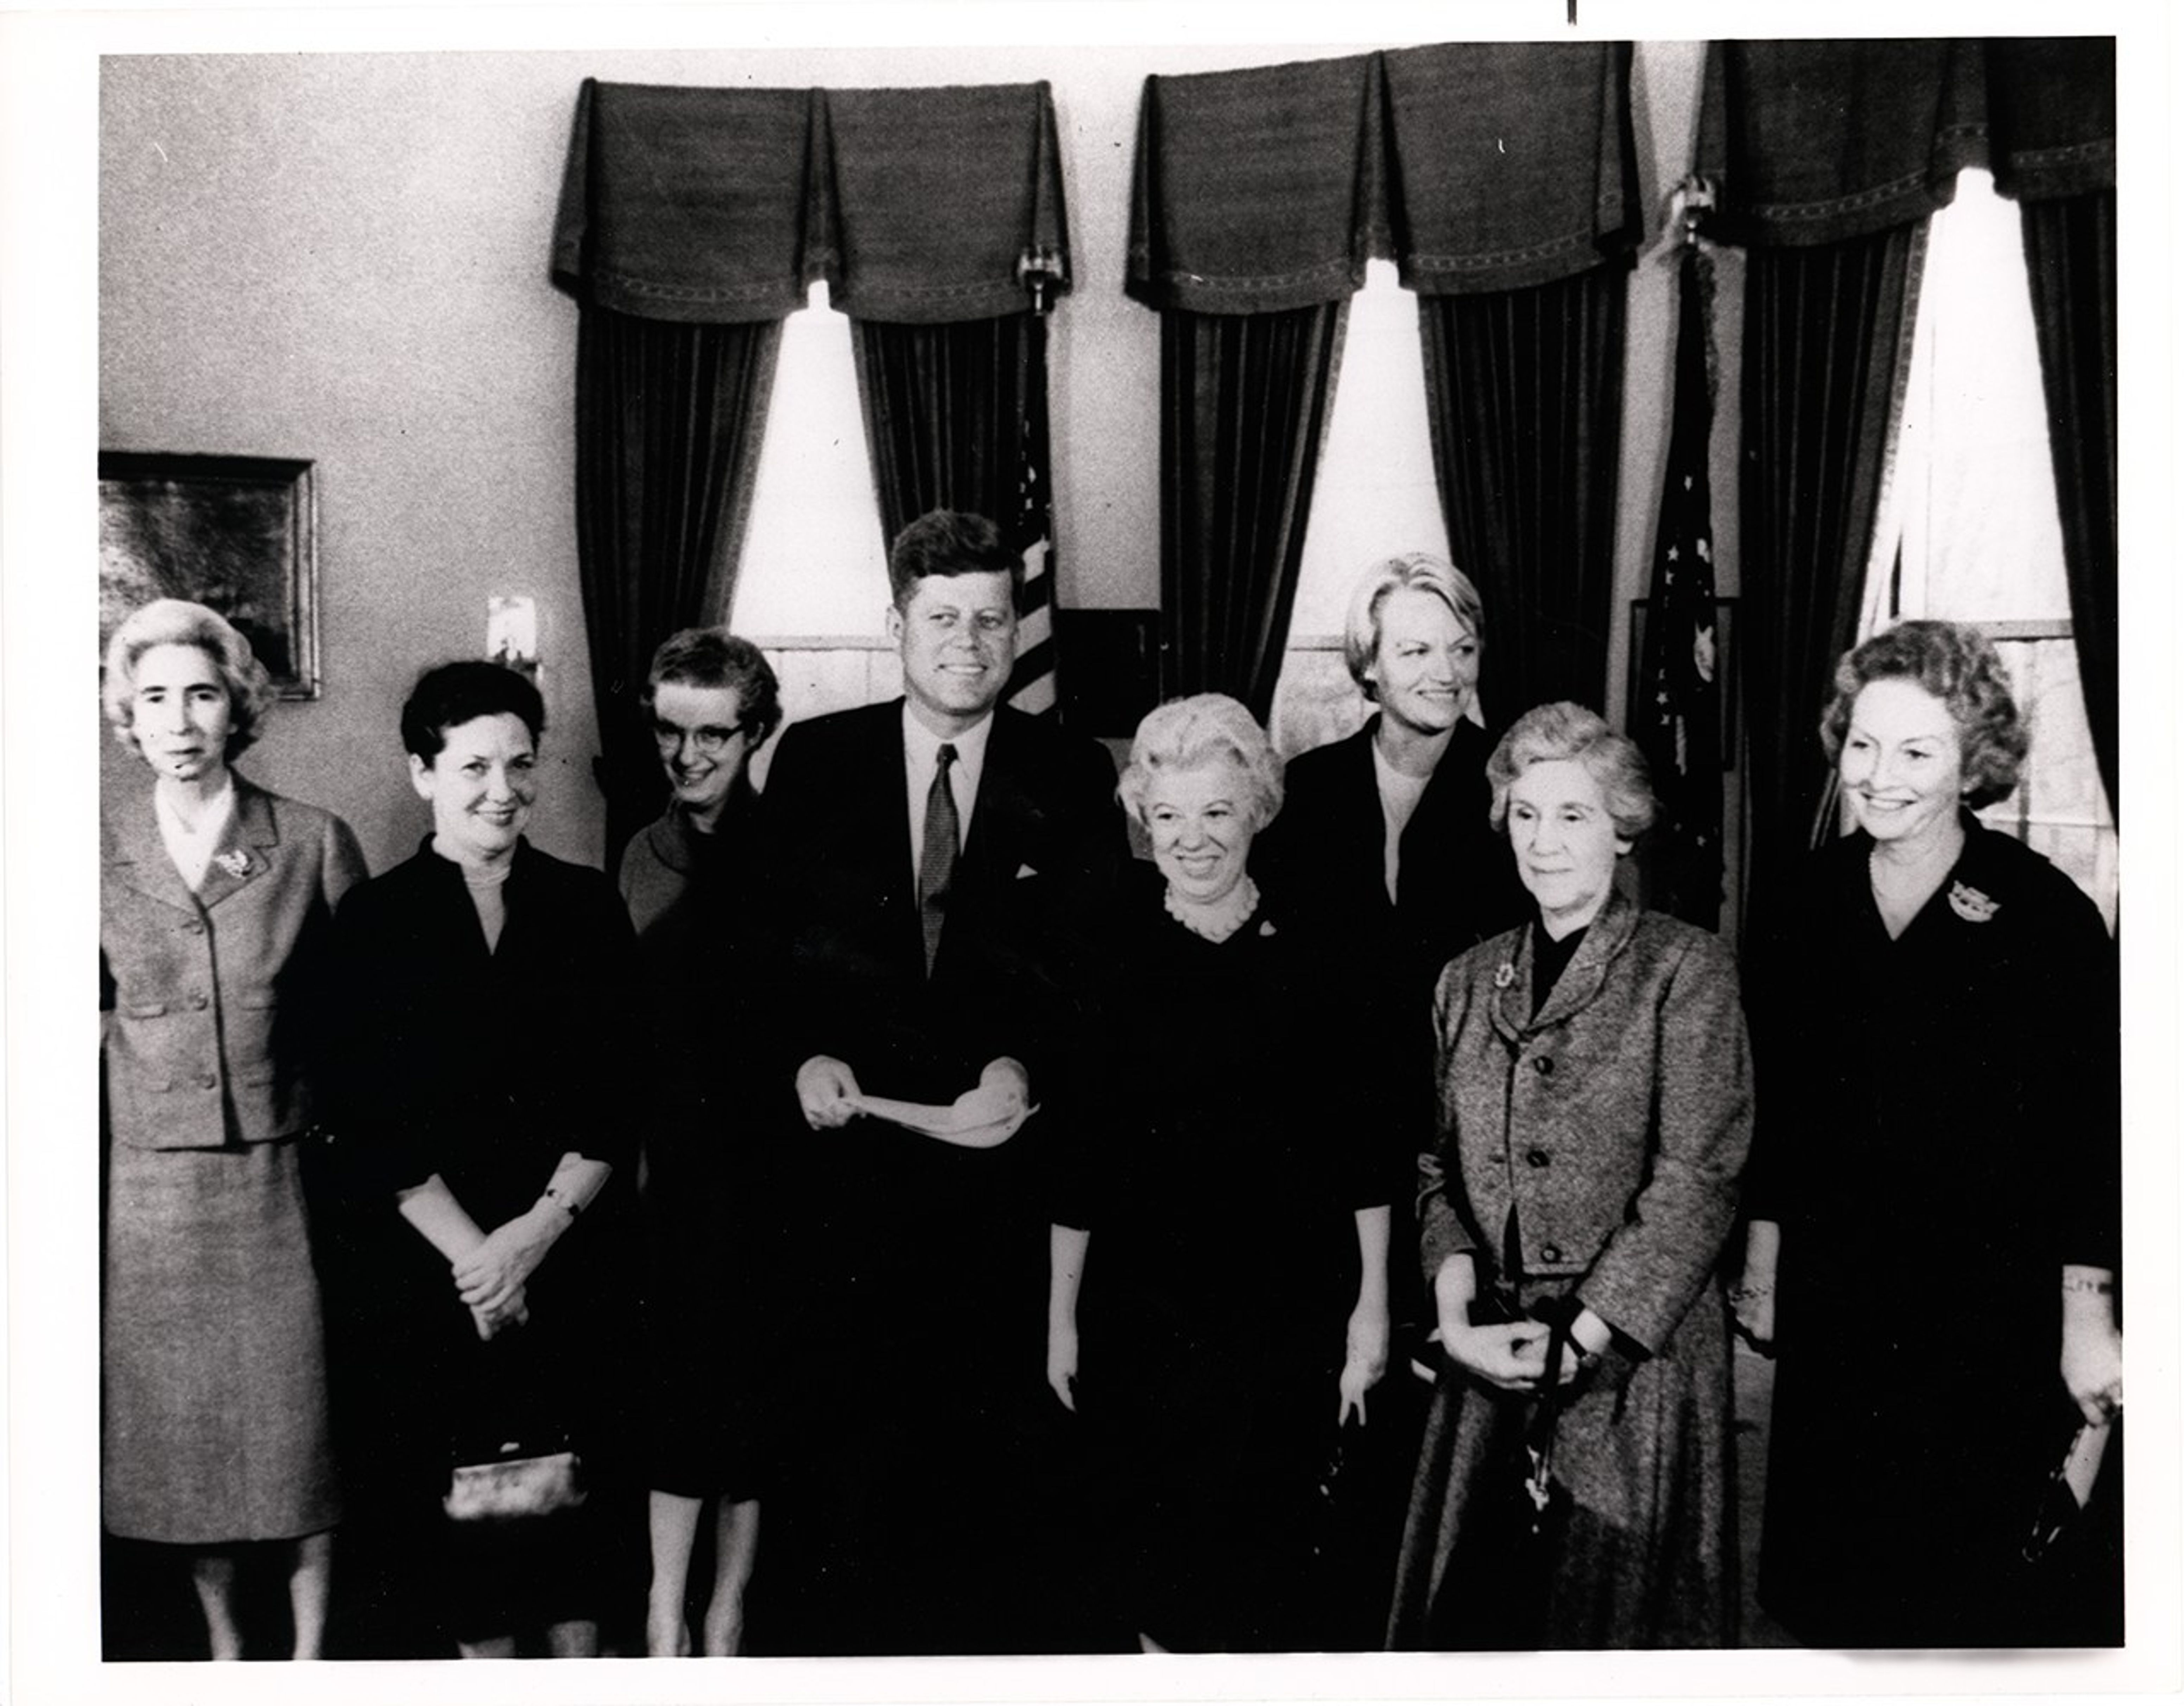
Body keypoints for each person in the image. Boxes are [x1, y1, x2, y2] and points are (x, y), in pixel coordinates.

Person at [757, 508, 1127, 1655]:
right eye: (944, 618)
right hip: (848, 1193)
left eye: (991, 619)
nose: (970, 642)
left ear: (1018, 629)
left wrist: (1025, 1065)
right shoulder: (815, 762)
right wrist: (805, 1053)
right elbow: (761, 958)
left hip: (997, 1205)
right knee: (850, 1492)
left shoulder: (1071, 772)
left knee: (986, 1503)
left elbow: (1094, 974)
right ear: (897, 625)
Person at [1738, 620, 2122, 1647]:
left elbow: (2090, 1139)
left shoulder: (2047, 916)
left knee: (1970, 1599)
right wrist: (1765, 1256)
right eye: (1865, 745)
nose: (1881, 776)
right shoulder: (1801, 900)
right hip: (1839, 1301)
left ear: (1972, 760)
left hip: (1988, 1314)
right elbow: (1778, 1105)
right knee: (1838, 1597)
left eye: (1916, 751)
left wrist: (2087, 1315)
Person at [1387, 702, 1751, 1649]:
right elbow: (1437, 1168)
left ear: (1622, 829)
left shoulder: (1686, 968)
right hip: (1490, 1355)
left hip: (1630, 1365)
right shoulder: (1466, 981)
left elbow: (1697, 1183)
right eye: (1526, 814)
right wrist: (1457, 1317)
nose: (1544, 841)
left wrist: (1579, 1341)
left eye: (1573, 815)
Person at [1046, 694, 1392, 1652]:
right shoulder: (1107, 951)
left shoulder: (1318, 949)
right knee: (1151, 1567)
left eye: (1216, 812)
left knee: (1267, 1565)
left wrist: (1370, 1308)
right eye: (1168, 815)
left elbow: (1363, 1144)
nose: (1191, 839)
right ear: (1142, 818)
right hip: (1143, 1315)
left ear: (1258, 812)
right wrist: (1061, 1319)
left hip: (1288, 1311)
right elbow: (1078, 1154)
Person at [325, 661, 641, 1659]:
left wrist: (533, 1240)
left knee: (575, 1530)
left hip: (569, 1262)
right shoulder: (374, 922)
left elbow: (615, 1101)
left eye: (520, 764)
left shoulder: (588, 905)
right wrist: (483, 1265)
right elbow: (369, 1123)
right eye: (473, 767)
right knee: (474, 1551)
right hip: (437, 1279)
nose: (502, 790)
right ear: (422, 774)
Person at [1250, 551, 1527, 1638]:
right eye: (1416, 649)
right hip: (1324, 1143)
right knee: (1323, 1396)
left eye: (1461, 647)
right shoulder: (1307, 790)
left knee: (1439, 1422)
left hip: (1457, 1152)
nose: (1444, 669)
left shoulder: (1510, 794)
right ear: (1368, 665)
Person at [100, 598, 366, 1660]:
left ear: (237, 708)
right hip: (152, 1184)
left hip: (280, 1172)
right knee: (183, 1438)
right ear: (127, 715)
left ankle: (308, 1654)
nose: (178, 720)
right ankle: (225, 1650)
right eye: (155, 697)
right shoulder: (86, 846)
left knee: (300, 1424)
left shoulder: (309, 840)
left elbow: (364, 1026)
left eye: (201, 694)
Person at [619, 629, 783, 1657]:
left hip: (774, 1170)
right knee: (678, 1398)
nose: (688, 756)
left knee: (755, 1402)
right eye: (671, 733)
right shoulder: (640, 853)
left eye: (714, 734)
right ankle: (663, 1614)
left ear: (757, 732)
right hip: (673, 1174)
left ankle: (726, 1613)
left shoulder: (800, 848)